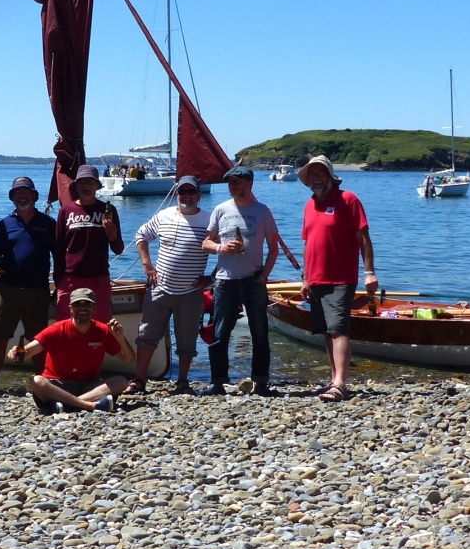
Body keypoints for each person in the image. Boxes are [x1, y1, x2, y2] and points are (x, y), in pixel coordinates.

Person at [298, 155, 376, 403]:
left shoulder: (348, 199)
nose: (316, 178)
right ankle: (334, 380)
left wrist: (369, 272)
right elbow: (308, 243)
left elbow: (363, 238)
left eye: (320, 173)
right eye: (312, 174)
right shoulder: (310, 204)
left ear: (331, 176)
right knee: (325, 331)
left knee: (338, 329)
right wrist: (305, 278)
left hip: (341, 278)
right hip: (316, 279)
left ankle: (341, 383)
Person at [201, 165, 280, 396]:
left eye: (238, 182)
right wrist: (221, 248)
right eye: (230, 183)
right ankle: (217, 382)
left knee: (260, 333)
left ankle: (261, 382)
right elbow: (206, 243)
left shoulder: (263, 211)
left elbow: (273, 248)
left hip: (253, 280)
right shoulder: (221, 209)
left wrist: (264, 276)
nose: (233, 186)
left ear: (250, 183)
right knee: (220, 333)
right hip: (225, 281)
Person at [128, 175, 211, 394]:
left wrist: (212, 277)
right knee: (146, 335)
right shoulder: (163, 215)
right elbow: (141, 235)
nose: (186, 196)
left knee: (187, 338)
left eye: (191, 192)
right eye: (183, 192)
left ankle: (183, 381)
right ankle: (139, 380)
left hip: (191, 291)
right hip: (160, 288)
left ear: (199, 195)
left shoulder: (210, 221)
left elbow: (227, 250)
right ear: (177, 195)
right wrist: (147, 265)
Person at [0, 176, 57, 393]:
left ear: (34, 196)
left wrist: (59, 285)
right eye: (17, 193)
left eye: (26, 192)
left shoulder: (47, 223)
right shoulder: (5, 224)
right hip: (7, 291)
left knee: (39, 339)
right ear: (13, 198)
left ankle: (44, 383)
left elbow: (59, 256)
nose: (22, 196)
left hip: (38, 290)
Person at [9, 287, 134, 413]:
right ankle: (89, 405)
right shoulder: (56, 330)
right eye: (77, 304)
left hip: (88, 386)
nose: (82, 308)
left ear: (94, 308)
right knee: (36, 381)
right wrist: (14, 353)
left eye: (87, 304)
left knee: (121, 381)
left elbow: (129, 359)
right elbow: (26, 353)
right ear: (70, 309)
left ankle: (69, 405)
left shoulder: (103, 331)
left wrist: (120, 338)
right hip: (57, 386)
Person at [56, 164, 123, 322]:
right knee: (66, 326)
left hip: (99, 279)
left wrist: (112, 236)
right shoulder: (65, 211)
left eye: (91, 182)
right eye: (83, 182)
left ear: (98, 186)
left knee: (100, 326)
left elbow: (118, 249)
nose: (86, 186)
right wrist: (59, 283)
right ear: (76, 185)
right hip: (71, 279)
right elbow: (58, 249)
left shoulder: (108, 210)